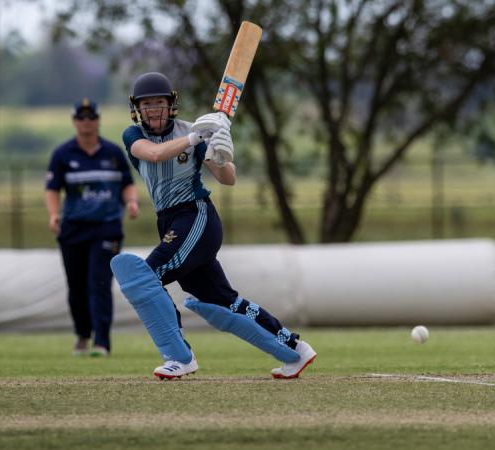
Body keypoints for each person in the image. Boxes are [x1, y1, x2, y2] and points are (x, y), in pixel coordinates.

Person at [111, 72, 316, 380]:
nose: (153, 109)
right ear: (137, 108)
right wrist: (197, 138)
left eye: (159, 103)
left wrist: (221, 154)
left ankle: (179, 357)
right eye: (147, 104)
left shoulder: (194, 130)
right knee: (222, 301)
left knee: (145, 277)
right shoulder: (135, 135)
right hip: (169, 220)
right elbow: (153, 155)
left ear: (171, 105)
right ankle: (294, 349)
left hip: (196, 216)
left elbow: (227, 178)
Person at [45, 98, 140, 357]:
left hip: (106, 227)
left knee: (99, 282)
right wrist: (54, 215)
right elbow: (52, 189)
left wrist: (131, 201)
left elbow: (127, 183)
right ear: (75, 121)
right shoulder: (63, 154)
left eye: (91, 117)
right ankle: (83, 334)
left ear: (98, 120)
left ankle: (102, 342)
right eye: (81, 118)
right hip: (73, 229)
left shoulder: (112, 153)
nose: (86, 122)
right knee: (76, 286)